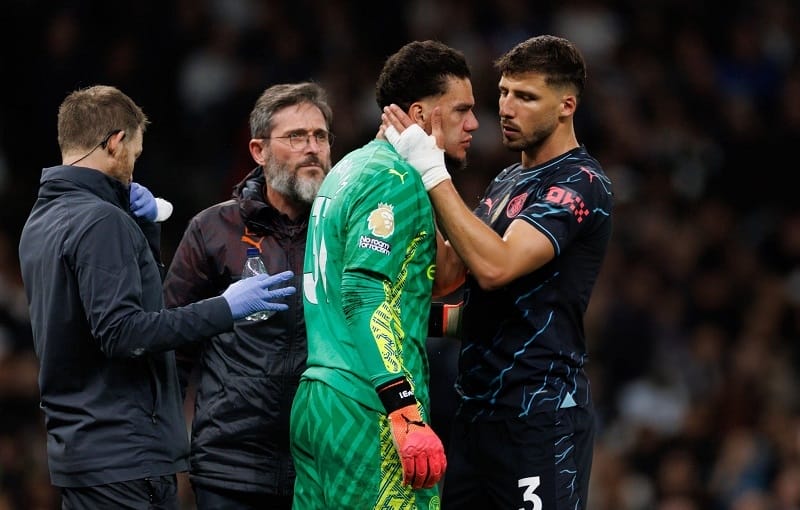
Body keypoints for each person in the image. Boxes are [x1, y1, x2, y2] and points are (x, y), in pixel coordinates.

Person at [17, 84, 296, 510]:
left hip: (83, 452)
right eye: (134, 152)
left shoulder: (41, 220)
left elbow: (112, 312)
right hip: (125, 456)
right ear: (115, 143)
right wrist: (226, 307)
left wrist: (143, 232)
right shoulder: (99, 221)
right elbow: (124, 332)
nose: (133, 166)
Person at [382, 35, 613, 509]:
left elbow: (494, 266)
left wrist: (430, 169)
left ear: (567, 105)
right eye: (504, 92)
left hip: (538, 418)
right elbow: (450, 274)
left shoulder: (581, 183)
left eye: (526, 97)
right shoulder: (507, 180)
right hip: (476, 415)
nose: (506, 108)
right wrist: (404, 178)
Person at [290, 40, 479, 509]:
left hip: (320, 400)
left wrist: (457, 323)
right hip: (369, 405)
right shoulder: (395, 181)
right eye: (462, 110)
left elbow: (383, 294)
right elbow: (361, 292)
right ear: (421, 114)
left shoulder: (349, 169)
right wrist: (404, 411)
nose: (474, 124)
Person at [162, 82, 334, 510]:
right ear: (258, 151)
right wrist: (161, 448)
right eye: (296, 136)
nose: (312, 148)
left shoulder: (344, 229)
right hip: (229, 467)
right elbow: (172, 347)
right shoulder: (213, 229)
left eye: (320, 136)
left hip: (324, 466)